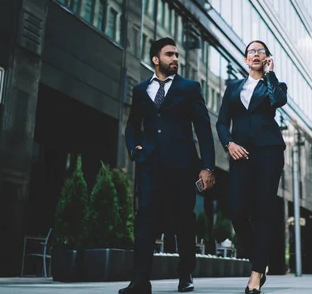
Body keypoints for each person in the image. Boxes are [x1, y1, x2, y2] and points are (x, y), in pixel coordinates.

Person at [120, 37, 215, 294]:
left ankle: (185, 272)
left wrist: (207, 167)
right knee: (145, 219)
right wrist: (134, 148)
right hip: (150, 166)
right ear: (155, 59)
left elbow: (203, 129)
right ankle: (140, 279)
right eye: (170, 54)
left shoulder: (189, 88)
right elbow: (131, 126)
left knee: (184, 219)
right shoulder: (141, 91)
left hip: (183, 166)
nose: (175, 59)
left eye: (177, 55)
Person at [216, 40, 287, 294]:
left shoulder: (275, 85)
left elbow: (278, 101)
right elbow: (222, 122)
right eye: (251, 52)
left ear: (267, 58)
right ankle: (259, 259)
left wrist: (270, 74)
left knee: (263, 210)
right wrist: (229, 143)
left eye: (261, 51)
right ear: (246, 60)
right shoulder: (233, 87)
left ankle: (256, 275)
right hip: (240, 155)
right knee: (236, 210)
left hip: (268, 152)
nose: (255, 54)